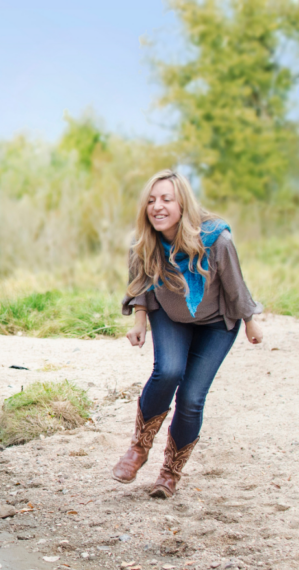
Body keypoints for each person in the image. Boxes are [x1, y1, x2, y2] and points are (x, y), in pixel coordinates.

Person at [112, 169, 263, 498]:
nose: (157, 207)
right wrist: (139, 322)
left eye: (166, 199)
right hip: (171, 315)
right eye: (151, 201)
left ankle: (170, 473)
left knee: (192, 398)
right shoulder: (143, 245)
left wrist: (250, 320)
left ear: (183, 204)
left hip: (216, 324)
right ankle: (139, 449)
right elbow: (142, 287)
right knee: (167, 371)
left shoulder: (216, 240)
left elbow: (235, 285)